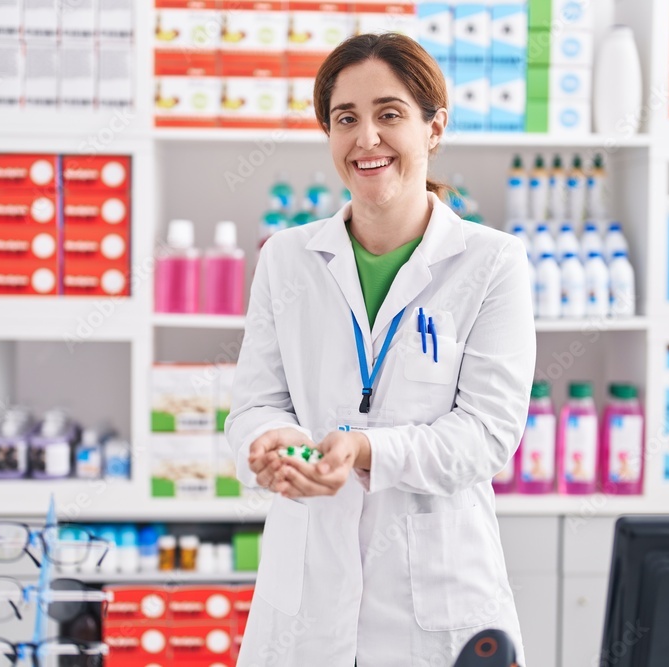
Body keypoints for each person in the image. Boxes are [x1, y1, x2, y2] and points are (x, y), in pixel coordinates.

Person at [226, 32, 535, 667]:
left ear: (434, 128)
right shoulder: (286, 258)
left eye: (389, 114)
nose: (366, 138)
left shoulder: (492, 262)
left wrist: (367, 450)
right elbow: (256, 404)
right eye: (346, 119)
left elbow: (486, 436)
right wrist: (272, 444)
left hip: (438, 606)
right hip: (305, 607)